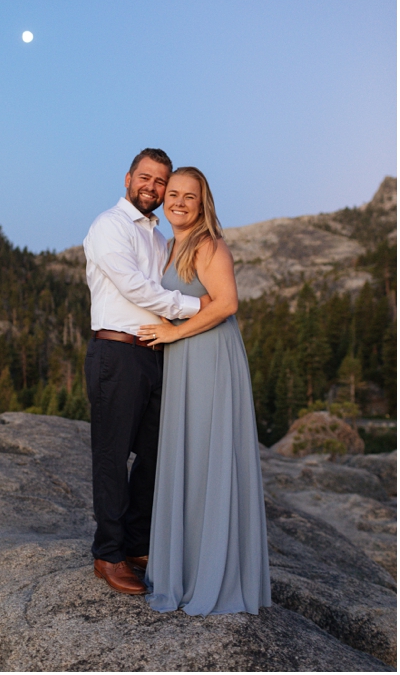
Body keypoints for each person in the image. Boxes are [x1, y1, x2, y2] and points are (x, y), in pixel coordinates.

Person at [137, 167, 271, 615]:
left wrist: (173, 335)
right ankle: (185, 568)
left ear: (202, 202)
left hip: (211, 359)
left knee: (208, 459)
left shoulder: (209, 244)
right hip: (184, 362)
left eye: (188, 196)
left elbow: (229, 302)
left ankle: (213, 576)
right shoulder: (171, 246)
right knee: (187, 461)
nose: (177, 201)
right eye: (171, 193)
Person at [82, 148, 206, 595]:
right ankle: (108, 554)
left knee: (156, 453)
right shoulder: (109, 226)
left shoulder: (158, 237)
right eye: (146, 178)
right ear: (128, 178)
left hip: (154, 354)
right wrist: (196, 307)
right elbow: (136, 287)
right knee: (113, 458)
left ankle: (136, 542)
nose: (152, 188)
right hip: (116, 354)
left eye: (161, 182)